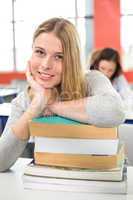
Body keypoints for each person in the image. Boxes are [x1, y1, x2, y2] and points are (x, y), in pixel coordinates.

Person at [0, 18, 125, 172]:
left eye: (59, 56)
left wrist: (50, 103)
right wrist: (35, 107)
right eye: (39, 52)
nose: (46, 65)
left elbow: (115, 111)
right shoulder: (24, 100)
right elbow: (1, 162)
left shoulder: (92, 80)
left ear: (71, 61)